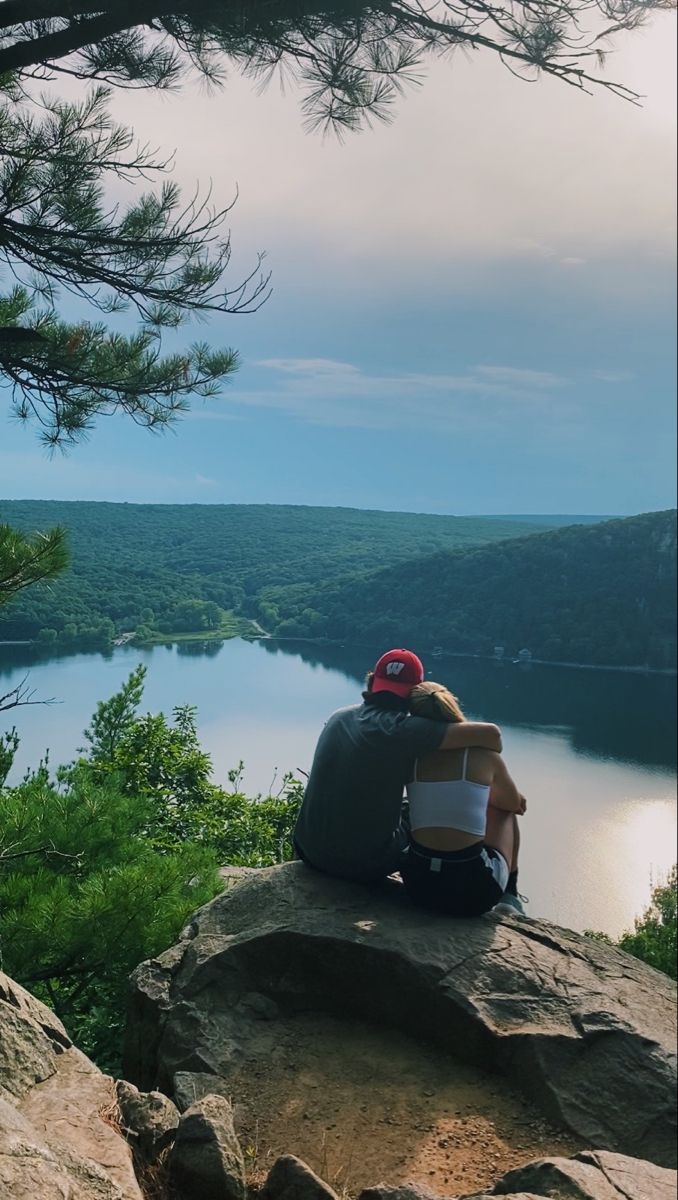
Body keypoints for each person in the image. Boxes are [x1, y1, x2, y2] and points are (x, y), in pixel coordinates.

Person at [293, 648, 504, 883]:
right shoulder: (406, 729)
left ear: (372, 682)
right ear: (415, 693)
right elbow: (491, 736)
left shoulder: (339, 716)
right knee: (428, 814)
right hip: (361, 865)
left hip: (308, 851)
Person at [401, 680, 527, 916]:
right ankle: (511, 894)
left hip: (418, 888)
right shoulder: (484, 756)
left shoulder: (411, 756)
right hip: (473, 893)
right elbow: (514, 805)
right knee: (503, 809)